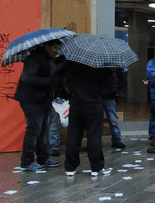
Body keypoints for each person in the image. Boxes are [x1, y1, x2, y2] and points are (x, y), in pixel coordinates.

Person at [53, 60, 111, 176]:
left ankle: (70, 167)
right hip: (94, 103)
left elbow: (54, 74)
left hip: (76, 102)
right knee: (94, 135)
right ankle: (96, 167)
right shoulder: (100, 62)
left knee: (74, 135)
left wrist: (64, 93)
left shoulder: (72, 61)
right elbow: (108, 82)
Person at [14, 40, 63, 170]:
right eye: (54, 48)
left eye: (58, 49)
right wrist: (49, 81)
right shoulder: (34, 59)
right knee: (34, 130)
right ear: (46, 46)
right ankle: (27, 162)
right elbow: (28, 78)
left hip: (44, 100)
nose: (56, 51)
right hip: (31, 100)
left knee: (43, 131)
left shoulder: (50, 60)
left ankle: (43, 158)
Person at [102, 67, 127, 149]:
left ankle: (117, 140)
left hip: (106, 96)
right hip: (106, 96)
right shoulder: (115, 67)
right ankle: (116, 140)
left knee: (112, 119)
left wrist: (117, 89)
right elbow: (122, 79)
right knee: (112, 119)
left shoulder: (115, 68)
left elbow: (122, 79)